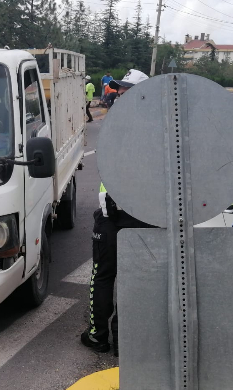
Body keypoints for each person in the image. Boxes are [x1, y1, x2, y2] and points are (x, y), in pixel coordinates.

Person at [81, 68, 150, 357]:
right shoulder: (158, 126)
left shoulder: (131, 127)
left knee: (106, 276)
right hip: (138, 217)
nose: (118, 94)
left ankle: (100, 337)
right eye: (119, 89)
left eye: (126, 90)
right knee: (131, 278)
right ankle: (121, 341)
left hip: (122, 215)